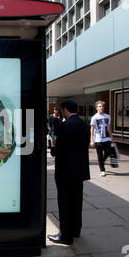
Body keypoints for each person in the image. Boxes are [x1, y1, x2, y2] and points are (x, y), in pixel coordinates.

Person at [48, 99, 90, 245]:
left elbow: (60, 148)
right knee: (76, 202)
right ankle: (75, 230)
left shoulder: (66, 125)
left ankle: (65, 235)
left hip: (66, 171)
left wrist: (53, 150)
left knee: (65, 203)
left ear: (65, 109)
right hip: (79, 171)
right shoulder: (84, 125)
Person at [90, 100, 114, 176]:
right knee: (99, 155)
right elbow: (92, 129)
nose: (101, 108)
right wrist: (92, 140)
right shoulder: (94, 117)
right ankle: (102, 170)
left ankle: (101, 162)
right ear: (96, 108)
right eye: (100, 106)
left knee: (109, 151)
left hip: (107, 139)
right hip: (98, 140)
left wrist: (112, 137)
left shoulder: (108, 116)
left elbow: (109, 128)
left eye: (103, 106)